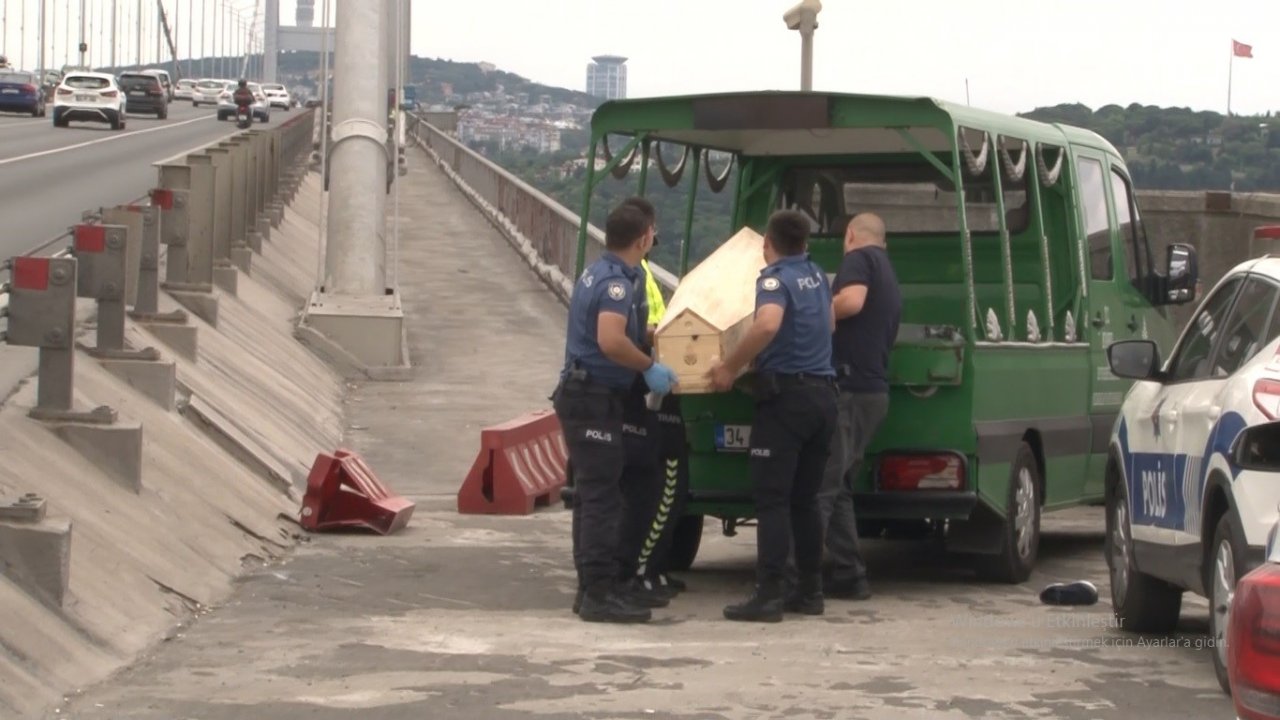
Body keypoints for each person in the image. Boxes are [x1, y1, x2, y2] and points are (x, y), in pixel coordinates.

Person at [552, 202, 680, 624]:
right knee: (602, 497)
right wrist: (649, 366)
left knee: (602, 492)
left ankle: (596, 587)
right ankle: (598, 593)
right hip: (592, 397)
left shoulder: (604, 272)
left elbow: (620, 329)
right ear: (644, 238)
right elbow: (610, 340)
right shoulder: (618, 284)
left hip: (594, 395)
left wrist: (653, 335)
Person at [709, 209, 838, 623]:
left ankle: (768, 594)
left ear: (768, 243)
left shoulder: (773, 279)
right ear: (805, 243)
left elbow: (766, 325)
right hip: (823, 397)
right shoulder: (817, 276)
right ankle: (810, 591)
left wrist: (730, 366)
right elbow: (831, 324)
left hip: (787, 401)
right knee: (805, 500)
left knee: (772, 500)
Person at [809, 212, 901, 603]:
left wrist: (806, 315)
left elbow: (851, 301)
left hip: (849, 390)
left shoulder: (859, 260)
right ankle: (849, 573)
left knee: (820, 487)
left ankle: (801, 578)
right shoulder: (888, 270)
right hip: (872, 392)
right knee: (842, 486)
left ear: (849, 234)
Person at [616, 197, 690, 600]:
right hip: (646, 389)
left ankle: (653, 568)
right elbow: (634, 330)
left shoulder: (637, 271)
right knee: (659, 486)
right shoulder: (628, 276)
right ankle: (640, 572)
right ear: (644, 235)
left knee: (668, 488)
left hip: (653, 378)